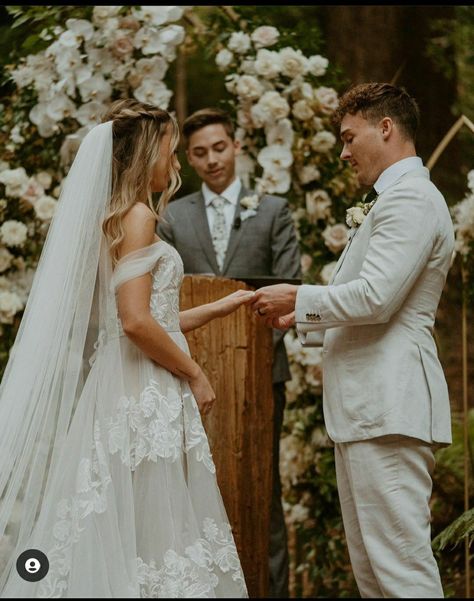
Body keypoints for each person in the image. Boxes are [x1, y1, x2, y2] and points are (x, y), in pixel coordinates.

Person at [0, 99, 251, 597]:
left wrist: (218, 309)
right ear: (143, 156)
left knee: (122, 513)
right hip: (143, 387)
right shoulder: (138, 217)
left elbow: (136, 320)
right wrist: (195, 373)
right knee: (154, 524)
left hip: (123, 379)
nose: (176, 165)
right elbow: (137, 323)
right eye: (170, 153)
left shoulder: (113, 219)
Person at [250, 83, 454, 598]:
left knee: (400, 572)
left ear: (385, 128)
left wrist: (298, 299)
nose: (342, 152)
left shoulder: (410, 198)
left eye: (348, 136)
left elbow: (376, 297)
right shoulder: (393, 199)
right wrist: (300, 319)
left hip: (388, 407)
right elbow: (364, 301)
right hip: (368, 411)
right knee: (374, 574)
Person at [157, 107, 301, 598]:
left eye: (220, 148)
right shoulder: (173, 216)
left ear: (236, 146)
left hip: (263, 373)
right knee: (193, 485)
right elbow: (165, 297)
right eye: (199, 152)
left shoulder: (274, 210)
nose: (212, 159)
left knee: (266, 489)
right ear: (190, 159)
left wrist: (255, 354)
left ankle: (269, 589)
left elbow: (291, 288)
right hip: (194, 374)